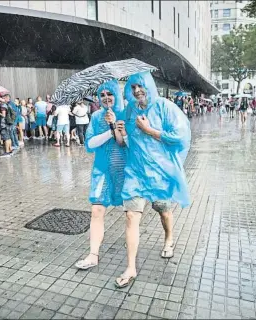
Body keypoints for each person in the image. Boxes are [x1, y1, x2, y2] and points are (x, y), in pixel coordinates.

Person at [115, 72, 191, 288]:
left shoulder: (165, 107)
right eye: (133, 87)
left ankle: (169, 238)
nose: (137, 91)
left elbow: (180, 137)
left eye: (141, 86)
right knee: (131, 216)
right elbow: (124, 143)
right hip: (135, 172)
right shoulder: (129, 110)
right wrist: (118, 130)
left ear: (149, 85)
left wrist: (149, 130)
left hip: (158, 172)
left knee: (163, 211)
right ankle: (131, 267)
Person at [75, 79, 127, 270]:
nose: (106, 98)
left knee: (129, 213)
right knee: (96, 210)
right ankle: (93, 254)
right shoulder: (96, 117)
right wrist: (109, 132)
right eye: (102, 95)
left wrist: (116, 125)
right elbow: (89, 144)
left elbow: (128, 144)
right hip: (102, 171)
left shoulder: (126, 114)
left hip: (125, 171)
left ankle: (132, 244)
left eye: (109, 94)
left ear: (117, 95)